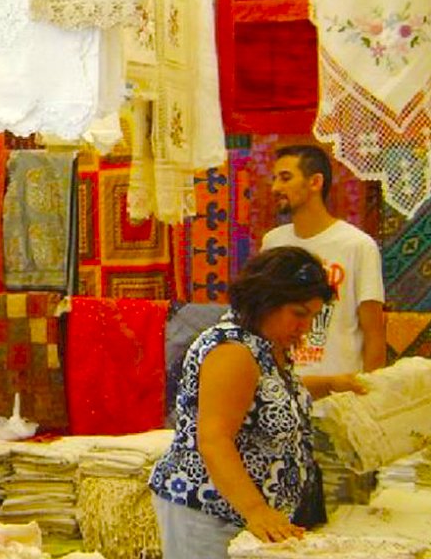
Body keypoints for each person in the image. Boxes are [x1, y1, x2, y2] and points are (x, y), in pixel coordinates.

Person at [149, 247, 366, 559]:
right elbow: (214, 440)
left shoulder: (263, 345)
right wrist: (256, 510)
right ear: (267, 301)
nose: (305, 327)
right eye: (299, 314)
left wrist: (331, 384)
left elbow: (265, 397)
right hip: (210, 511)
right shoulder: (233, 351)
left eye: (313, 317)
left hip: (242, 513)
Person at [262, 144, 386, 377]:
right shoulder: (273, 243)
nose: (276, 187)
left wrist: (371, 395)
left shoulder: (357, 245)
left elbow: (374, 334)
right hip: (284, 393)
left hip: (339, 396)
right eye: (275, 179)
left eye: (285, 178)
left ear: (315, 182)